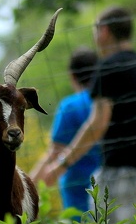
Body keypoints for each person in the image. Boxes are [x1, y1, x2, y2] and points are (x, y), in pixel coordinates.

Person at [40, 6, 136, 223]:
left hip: (121, 172)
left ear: (104, 31)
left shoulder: (107, 68)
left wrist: (62, 164)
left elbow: (97, 124)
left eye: (95, 30)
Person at [31, 47, 102, 213]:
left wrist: (27, 186)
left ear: (72, 76)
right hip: (110, 185)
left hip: (78, 190)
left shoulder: (70, 106)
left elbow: (54, 151)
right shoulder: (108, 103)